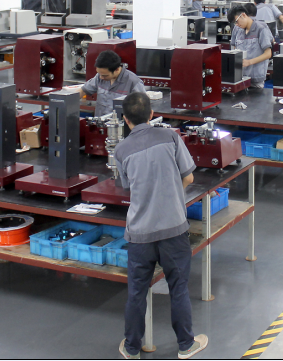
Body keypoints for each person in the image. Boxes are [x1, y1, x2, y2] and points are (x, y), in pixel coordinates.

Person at [115, 91, 209, 361]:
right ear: (152, 115)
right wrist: (172, 196)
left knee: (137, 292)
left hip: (140, 234)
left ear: (125, 120)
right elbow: (189, 177)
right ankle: (186, 345)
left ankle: (132, 348)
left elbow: (128, 186)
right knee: (178, 287)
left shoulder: (121, 150)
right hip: (173, 229)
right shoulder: (170, 137)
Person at [80, 50, 146, 117]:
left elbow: (142, 109)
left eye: (105, 75)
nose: (101, 77)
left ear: (117, 70)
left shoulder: (134, 83)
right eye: (99, 74)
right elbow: (83, 90)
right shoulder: (100, 77)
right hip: (100, 121)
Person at [228, 3, 274, 89]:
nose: (236, 24)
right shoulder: (237, 30)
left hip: (256, 79)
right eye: (234, 23)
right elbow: (235, 48)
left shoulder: (261, 28)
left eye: (236, 21)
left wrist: (249, 62)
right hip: (240, 78)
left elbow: (268, 54)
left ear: (243, 15)